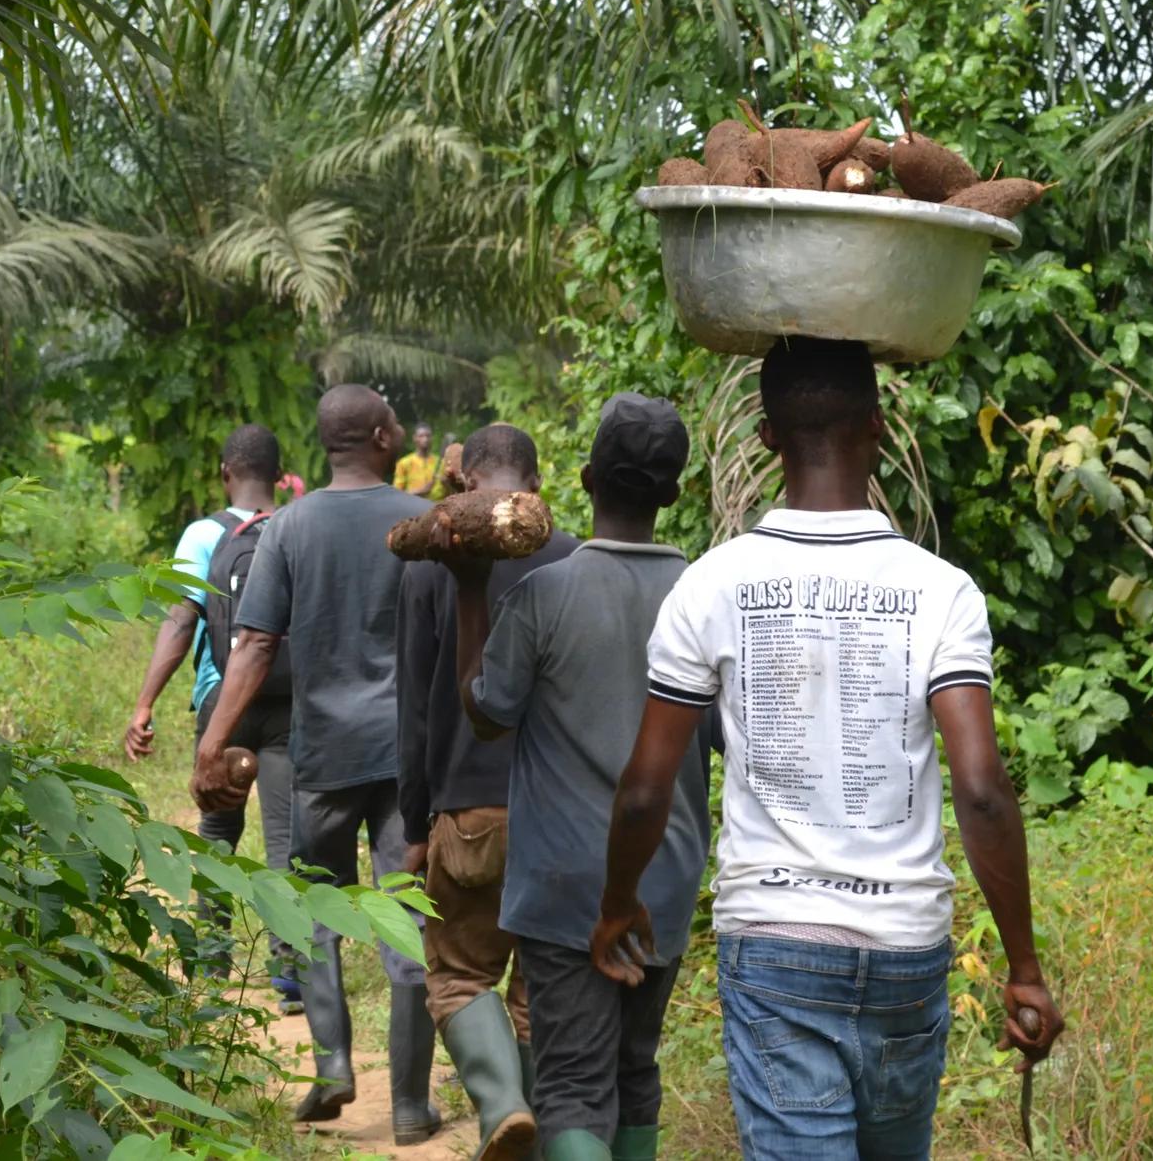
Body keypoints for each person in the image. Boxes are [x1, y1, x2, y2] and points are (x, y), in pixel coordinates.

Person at [589, 338, 1065, 1161]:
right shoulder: (941, 590)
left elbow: (643, 789)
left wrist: (617, 902)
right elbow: (982, 789)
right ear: (879, 428)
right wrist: (1022, 965)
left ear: (766, 436)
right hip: (906, 947)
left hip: (773, 940)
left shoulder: (709, 583)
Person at [446, 394, 716, 1161]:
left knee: (571, 1084)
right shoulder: (705, 596)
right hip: (663, 879)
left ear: (588, 478)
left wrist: (471, 589)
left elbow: (487, 713)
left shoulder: (543, 594)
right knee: (636, 1068)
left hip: (566, 892)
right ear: (671, 494)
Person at [191, 384, 445, 1145]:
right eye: (395, 421)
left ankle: (333, 1064)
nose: (403, 428)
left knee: (317, 910)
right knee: (404, 922)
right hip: (402, 755)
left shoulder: (290, 528)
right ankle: (410, 1103)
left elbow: (256, 643)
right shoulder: (416, 521)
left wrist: (213, 740)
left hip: (324, 752)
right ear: (376, 434)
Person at [396, 423, 578, 1161]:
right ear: (534, 489)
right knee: (537, 989)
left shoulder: (429, 566)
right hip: (558, 814)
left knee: (458, 974)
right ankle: (526, 1127)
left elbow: (413, 707)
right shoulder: (571, 558)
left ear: (463, 486)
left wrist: (415, 821)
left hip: (467, 811)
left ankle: (502, 1105)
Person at [122, 424, 299, 1007]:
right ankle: (291, 971)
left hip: (219, 699)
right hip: (290, 705)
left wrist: (145, 703)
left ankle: (211, 965)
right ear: (279, 474)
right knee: (284, 839)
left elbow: (180, 621)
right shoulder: (299, 524)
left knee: (218, 834)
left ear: (226, 472)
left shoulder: (204, 533)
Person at [394, 421, 439, 496]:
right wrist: (420, 491)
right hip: (413, 506)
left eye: (428, 436)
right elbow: (397, 494)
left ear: (432, 438)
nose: (425, 439)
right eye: (421, 436)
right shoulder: (404, 463)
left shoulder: (440, 462)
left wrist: (447, 483)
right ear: (414, 438)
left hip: (439, 506)